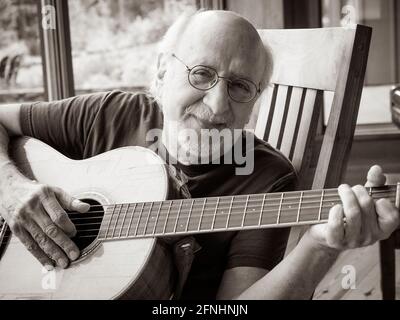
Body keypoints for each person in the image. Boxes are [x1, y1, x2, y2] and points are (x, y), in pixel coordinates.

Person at [0, 9, 398, 300]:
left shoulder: (266, 181)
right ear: (161, 72)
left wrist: (321, 245)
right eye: (202, 74)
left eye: (241, 86)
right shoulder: (109, 115)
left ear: (256, 100)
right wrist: (13, 190)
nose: (219, 106)